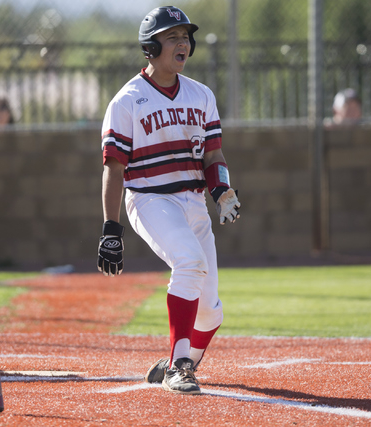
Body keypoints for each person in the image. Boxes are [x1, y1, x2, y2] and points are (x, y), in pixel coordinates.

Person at [97, 6, 241, 395]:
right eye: (172, 36)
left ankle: (179, 364)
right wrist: (112, 228)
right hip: (149, 198)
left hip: (193, 202)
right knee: (190, 264)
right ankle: (180, 366)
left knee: (211, 310)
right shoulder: (127, 100)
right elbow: (113, 167)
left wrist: (222, 191)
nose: (182, 43)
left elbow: (213, 156)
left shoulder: (202, 94)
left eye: (185, 36)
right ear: (150, 46)